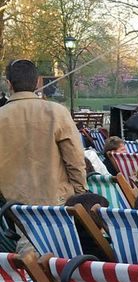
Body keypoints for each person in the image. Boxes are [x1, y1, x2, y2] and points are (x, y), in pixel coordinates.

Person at [0, 59, 86, 216]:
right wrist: (80, 193)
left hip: (12, 208)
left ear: (9, 84)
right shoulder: (57, 112)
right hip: (56, 204)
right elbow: (75, 158)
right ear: (37, 82)